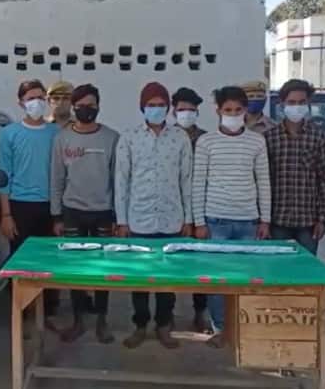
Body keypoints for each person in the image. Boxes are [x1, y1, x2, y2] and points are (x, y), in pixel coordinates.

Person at [115, 82, 193, 349]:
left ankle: (164, 325)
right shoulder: (129, 138)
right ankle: (140, 325)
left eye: (161, 105)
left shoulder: (180, 138)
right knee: (140, 278)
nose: (156, 109)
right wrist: (122, 220)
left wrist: (188, 218)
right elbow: (121, 181)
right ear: (142, 107)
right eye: (151, 105)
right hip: (139, 219)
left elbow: (186, 180)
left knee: (167, 279)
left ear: (169, 108)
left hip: (172, 219)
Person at [192, 86, 271, 348]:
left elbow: (263, 181)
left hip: (248, 222)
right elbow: (198, 183)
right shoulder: (206, 142)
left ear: (245, 111)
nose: (233, 114)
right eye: (228, 110)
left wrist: (265, 219)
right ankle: (220, 328)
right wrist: (199, 222)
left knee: (247, 278)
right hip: (215, 221)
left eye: (238, 110)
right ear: (218, 111)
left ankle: (244, 328)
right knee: (217, 280)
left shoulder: (257, 142)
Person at [50, 84, 119, 344]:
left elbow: (118, 180)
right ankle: (78, 320)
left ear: (98, 106)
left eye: (91, 105)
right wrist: (56, 216)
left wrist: (118, 217)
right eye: (81, 106)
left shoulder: (112, 138)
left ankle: (102, 320)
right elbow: (57, 178)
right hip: (72, 212)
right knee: (75, 268)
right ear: (74, 107)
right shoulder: (62, 139)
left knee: (103, 268)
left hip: (103, 212)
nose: (86, 109)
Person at [0, 79, 60, 318]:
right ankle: (21, 312)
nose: (37, 102)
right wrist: (6, 214)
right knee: (22, 261)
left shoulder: (56, 133)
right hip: (20, 207)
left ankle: (48, 311)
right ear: (21, 103)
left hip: (50, 206)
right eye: (31, 98)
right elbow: (4, 176)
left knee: (49, 260)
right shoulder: (9, 134)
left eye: (41, 98)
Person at [264, 79, 325, 255]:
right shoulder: (269, 138)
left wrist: (322, 219)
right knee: (277, 267)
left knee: (306, 267)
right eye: (292, 102)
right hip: (277, 219)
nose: (297, 107)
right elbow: (263, 181)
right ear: (282, 104)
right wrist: (263, 220)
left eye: (301, 102)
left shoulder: (317, 137)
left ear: (308, 103)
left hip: (308, 222)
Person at [171, 87, 209, 333]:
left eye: (191, 110)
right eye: (182, 109)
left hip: (201, 208)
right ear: (173, 111)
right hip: (173, 208)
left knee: (201, 264)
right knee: (172, 264)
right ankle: (168, 314)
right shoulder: (168, 137)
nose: (186, 114)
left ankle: (199, 314)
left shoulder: (205, 139)